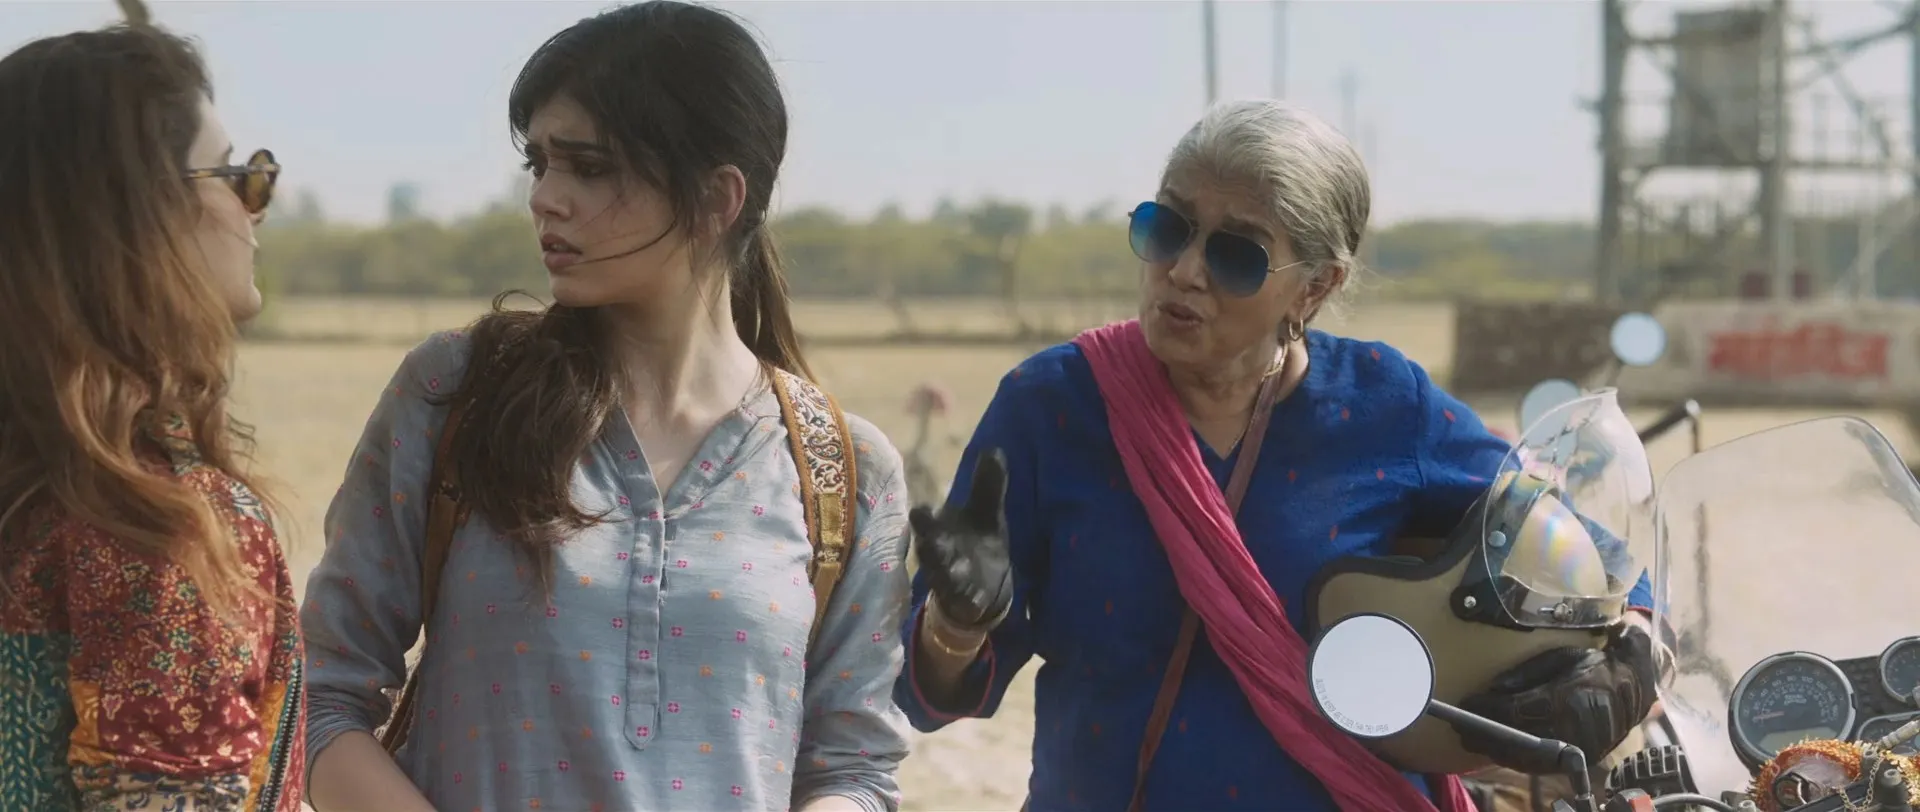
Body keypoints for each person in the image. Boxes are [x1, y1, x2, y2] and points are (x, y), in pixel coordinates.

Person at [893, 100, 1659, 812]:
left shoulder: (1383, 404)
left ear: (1315, 287)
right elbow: (929, 696)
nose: (1184, 270)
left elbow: (1592, 555)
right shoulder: (1051, 406)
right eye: (1167, 228)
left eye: (1236, 254)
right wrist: (955, 624)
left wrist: (1626, 652)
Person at [298, 3, 911, 811]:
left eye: (588, 168)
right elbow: (319, 698)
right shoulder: (456, 395)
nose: (545, 198)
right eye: (539, 163)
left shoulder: (842, 473)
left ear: (716, 198)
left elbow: (855, 769)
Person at [0, 24, 303, 812]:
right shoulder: (156, 531)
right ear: (138, 214)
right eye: (235, 174)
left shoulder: (30, 494)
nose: (256, 208)